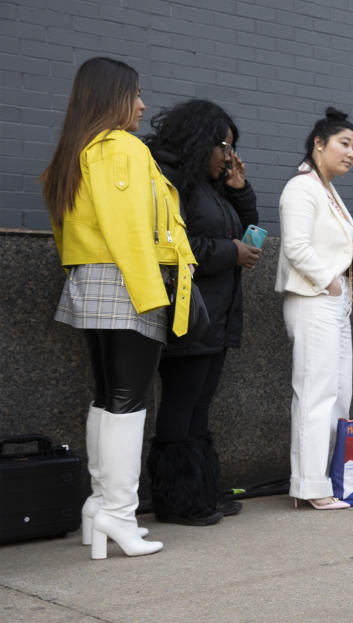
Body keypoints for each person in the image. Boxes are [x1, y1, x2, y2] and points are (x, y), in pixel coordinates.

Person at [41, 57, 197, 559]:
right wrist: (153, 293)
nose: (142, 105)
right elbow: (130, 228)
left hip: (93, 279)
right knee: (128, 403)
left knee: (110, 398)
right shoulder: (120, 149)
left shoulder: (78, 150)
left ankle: (101, 507)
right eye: (134, 95)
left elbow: (68, 232)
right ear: (112, 98)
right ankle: (118, 513)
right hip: (129, 278)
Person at [143, 99, 262, 525]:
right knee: (181, 404)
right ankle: (177, 501)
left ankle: (200, 491)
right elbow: (177, 249)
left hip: (217, 314)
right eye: (224, 147)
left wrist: (239, 190)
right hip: (188, 314)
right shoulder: (175, 184)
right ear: (201, 142)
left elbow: (243, 228)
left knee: (200, 405)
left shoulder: (211, 188)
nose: (229, 156)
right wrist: (230, 252)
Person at [276, 107, 353, 510]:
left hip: (335, 302)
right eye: (344, 144)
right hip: (313, 299)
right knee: (315, 393)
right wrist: (329, 282)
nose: (351, 153)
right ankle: (310, 486)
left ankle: (324, 476)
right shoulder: (302, 187)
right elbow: (295, 246)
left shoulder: (327, 189)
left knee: (338, 393)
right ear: (319, 144)